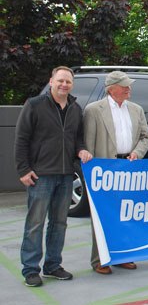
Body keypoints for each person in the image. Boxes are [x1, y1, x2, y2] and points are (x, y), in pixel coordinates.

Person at [14, 66, 93, 287]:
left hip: (66, 175)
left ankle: (52, 265)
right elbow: (21, 139)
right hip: (41, 176)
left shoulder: (75, 108)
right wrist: (23, 169)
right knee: (35, 224)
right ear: (51, 81)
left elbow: (78, 139)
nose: (64, 85)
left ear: (72, 84)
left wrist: (81, 150)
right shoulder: (34, 105)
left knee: (59, 223)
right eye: (60, 81)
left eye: (68, 81)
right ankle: (30, 269)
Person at [83, 71, 148, 274]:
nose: (129, 88)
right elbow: (89, 143)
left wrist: (137, 153)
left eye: (129, 85)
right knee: (102, 215)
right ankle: (100, 260)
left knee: (126, 214)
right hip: (105, 171)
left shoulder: (136, 109)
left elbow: (145, 137)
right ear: (111, 89)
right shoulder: (94, 110)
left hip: (129, 169)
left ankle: (123, 255)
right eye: (124, 86)